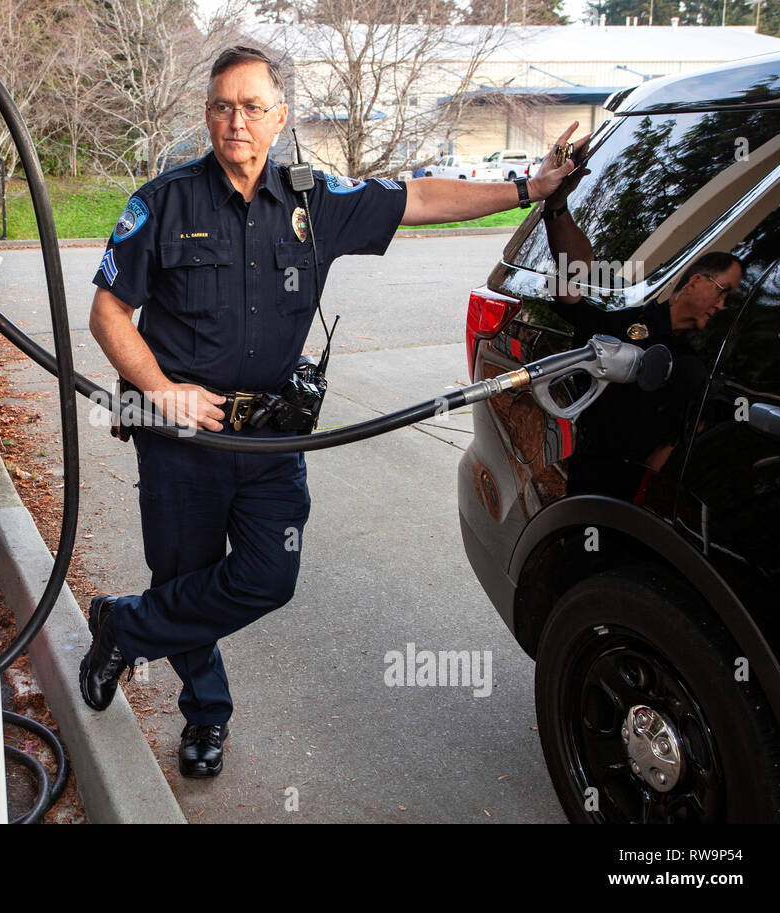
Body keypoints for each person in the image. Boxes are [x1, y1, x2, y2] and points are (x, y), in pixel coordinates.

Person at [80, 45, 580, 778]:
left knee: (266, 576)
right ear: (207, 115)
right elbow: (108, 311)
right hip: (182, 437)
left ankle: (123, 626)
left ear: (280, 117)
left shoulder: (316, 199)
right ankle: (206, 716)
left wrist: (527, 187)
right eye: (222, 105)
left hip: (272, 438)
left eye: (252, 106)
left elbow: (420, 198)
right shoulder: (163, 201)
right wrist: (160, 389)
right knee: (181, 576)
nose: (235, 121)